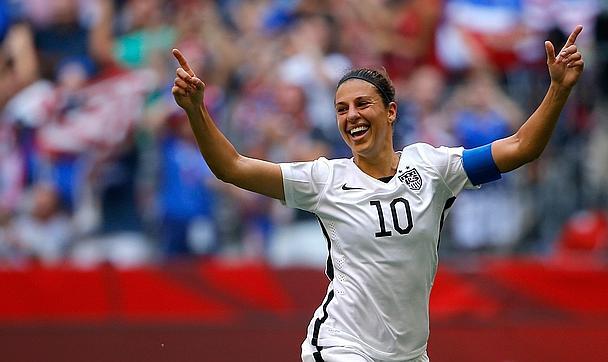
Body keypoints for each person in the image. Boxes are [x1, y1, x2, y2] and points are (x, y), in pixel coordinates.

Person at [171, 25, 584, 362]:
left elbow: (520, 148)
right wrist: (196, 110)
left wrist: (559, 89)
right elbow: (233, 167)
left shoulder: (434, 167)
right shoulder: (323, 180)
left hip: (408, 354)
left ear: (390, 111)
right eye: (341, 109)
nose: (351, 116)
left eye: (362, 104)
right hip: (341, 346)